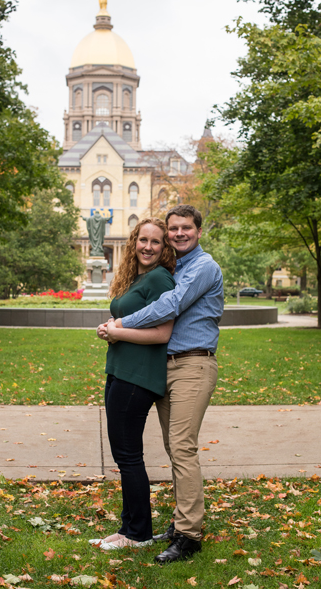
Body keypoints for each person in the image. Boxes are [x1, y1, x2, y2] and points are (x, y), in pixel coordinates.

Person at [101, 204, 223, 563]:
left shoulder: (203, 266)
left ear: (198, 231)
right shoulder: (177, 266)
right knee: (175, 449)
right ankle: (182, 521)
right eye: (174, 229)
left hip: (193, 364)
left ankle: (189, 535)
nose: (179, 233)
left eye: (186, 228)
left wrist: (120, 325)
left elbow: (171, 304)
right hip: (166, 367)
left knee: (182, 448)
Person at [91, 217, 176, 551]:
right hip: (121, 371)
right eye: (143, 240)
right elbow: (133, 320)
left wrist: (116, 332)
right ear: (134, 241)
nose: (148, 247)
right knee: (123, 454)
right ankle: (128, 527)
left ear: (164, 247)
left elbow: (162, 333)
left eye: (156, 242)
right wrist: (112, 329)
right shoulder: (137, 277)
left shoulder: (160, 278)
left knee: (128, 456)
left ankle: (138, 534)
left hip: (137, 377)